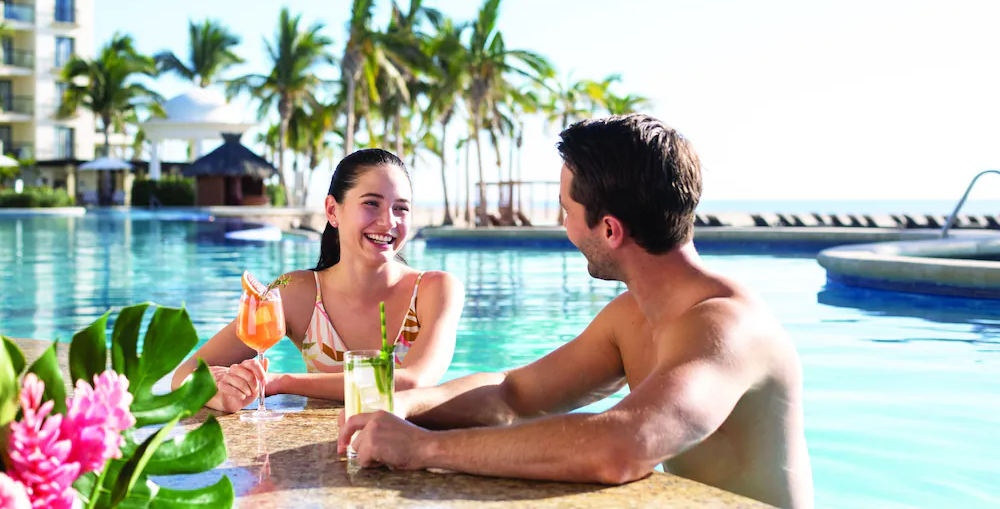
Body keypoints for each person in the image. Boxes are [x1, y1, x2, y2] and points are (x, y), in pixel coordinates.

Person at [338, 115, 813, 509]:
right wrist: (402, 408)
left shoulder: (727, 326)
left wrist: (423, 448)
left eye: (565, 209)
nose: (561, 223)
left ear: (609, 230)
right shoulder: (631, 316)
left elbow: (623, 446)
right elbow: (513, 394)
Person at [172, 148, 465, 412]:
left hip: (409, 449)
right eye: (372, 203)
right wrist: (221, 391)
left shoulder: (436, 290)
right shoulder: (294, 293)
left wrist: (280, 382)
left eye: (401, 208)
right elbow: (184, 376)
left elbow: (412, 382)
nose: (389, 221)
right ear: (332, 210)